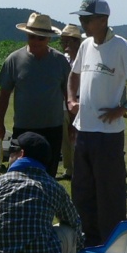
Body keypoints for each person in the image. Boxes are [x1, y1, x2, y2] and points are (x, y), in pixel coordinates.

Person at [67, 0, 127, 247]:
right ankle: (88, 238)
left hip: (108, 134)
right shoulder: (85, 45)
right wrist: (71, 100)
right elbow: (73, 75)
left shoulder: (120, 46)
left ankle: (114, 242)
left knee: (109, 190)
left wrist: (124, 107)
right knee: (82, 189)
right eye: (81, 19)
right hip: (83, 129)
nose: (83, 24)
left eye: (87, 19)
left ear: (103, 20)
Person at [0, 13, 70, 178]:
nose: (35, 41)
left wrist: (72, 124)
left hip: (52, 129)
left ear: (48, 39)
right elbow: (4, 93)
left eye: (40, 38)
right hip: (23, 129)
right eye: (31, 36)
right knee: (17, 174)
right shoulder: (14, 60)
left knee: (48, 175)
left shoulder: (60, 61)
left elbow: (69, 95)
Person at [59, 23, 83, 179]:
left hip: (79, 102)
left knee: (78, 137)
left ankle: (80, 168)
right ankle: (68, 169)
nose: (64, 44)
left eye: (68, 41)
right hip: (63, 103)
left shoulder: (84, 58)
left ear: (76, 42)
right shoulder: (64, 59)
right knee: (65, 138)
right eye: (63, 41)